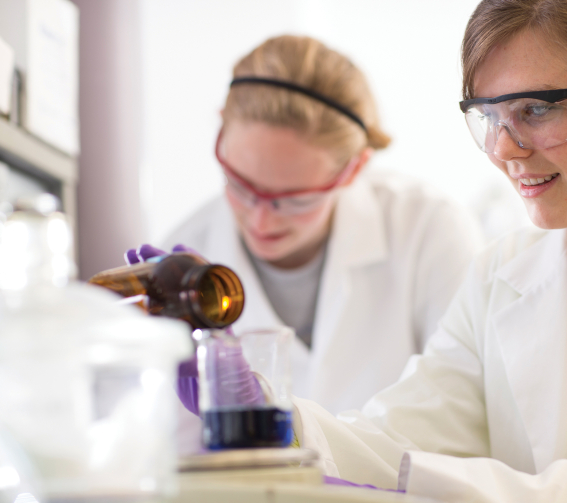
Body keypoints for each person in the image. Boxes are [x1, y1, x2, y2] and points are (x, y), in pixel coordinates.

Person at [285, 0, 567, 500]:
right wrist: (279, 424)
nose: (504, 149)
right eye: (489, 115)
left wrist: (433, 479)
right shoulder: (499, 278)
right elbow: (393, 439)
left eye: (537, 109)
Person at [161, 35, 485, 415]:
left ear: (354, 168)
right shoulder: (185, 246)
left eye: (295, 199)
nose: (261, 219)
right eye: (240, 183)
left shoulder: (428, 231)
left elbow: (464, 415)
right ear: (220, 135)